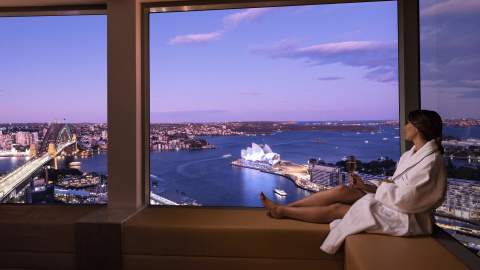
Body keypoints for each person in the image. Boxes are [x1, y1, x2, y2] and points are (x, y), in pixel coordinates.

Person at [260, 109, 447, 254]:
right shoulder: (411, 154)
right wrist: (365, 186)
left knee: (338, 209)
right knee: (342, 189)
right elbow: (396, 187)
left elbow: (410, 200)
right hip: (393, 202)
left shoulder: (432, 162)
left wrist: (382, 188)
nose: (404, 126)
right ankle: (291, 206)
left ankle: (282, 211)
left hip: (407, 218)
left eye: (408, 123)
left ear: (418, 127)